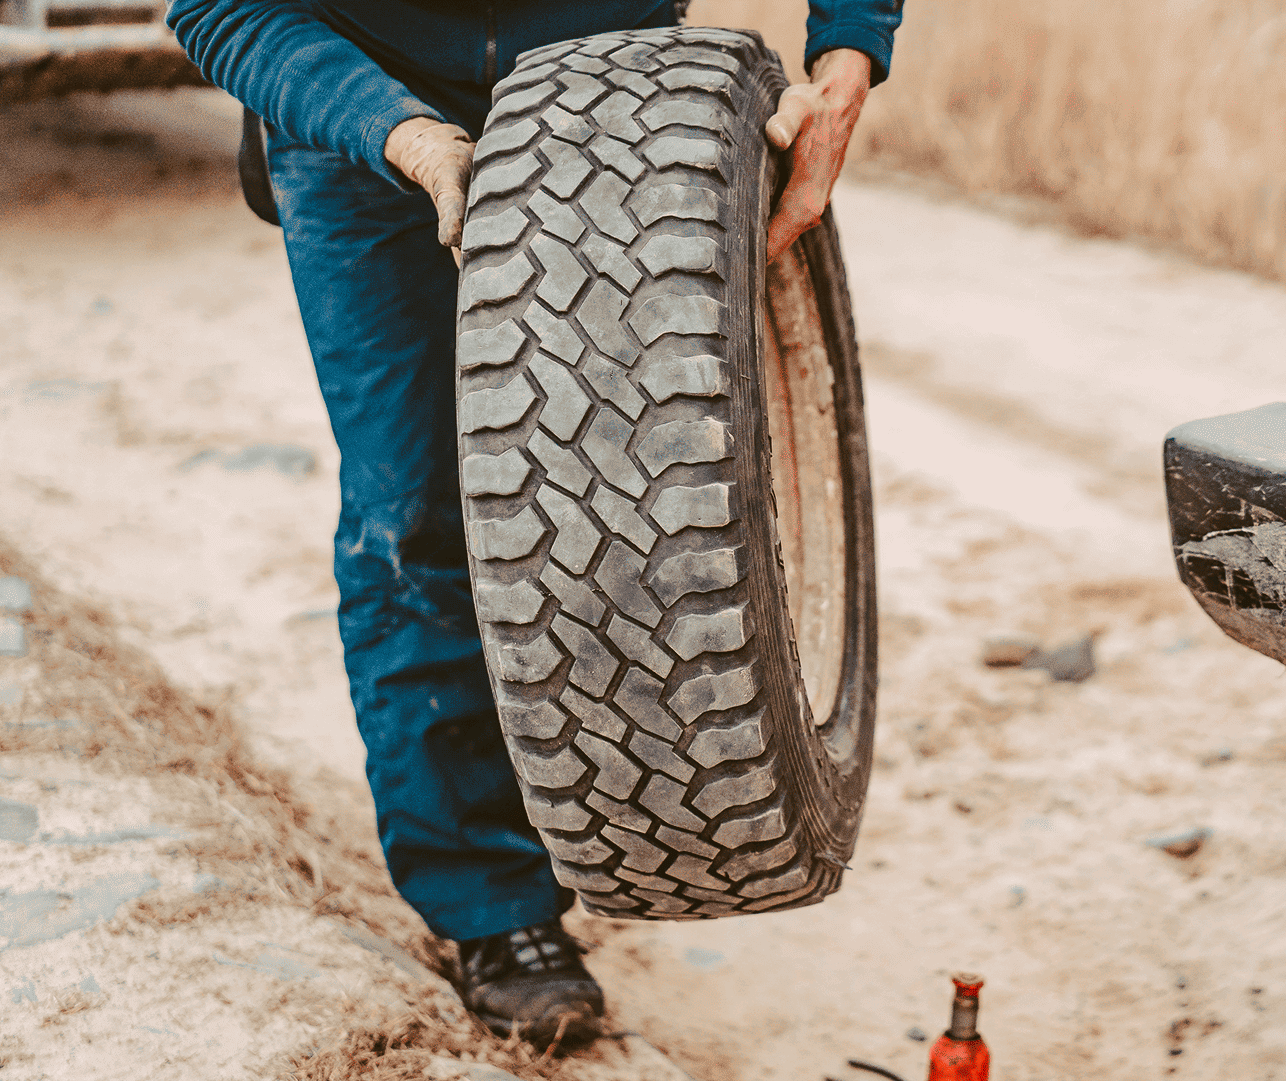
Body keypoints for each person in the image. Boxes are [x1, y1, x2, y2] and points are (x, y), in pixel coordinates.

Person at [165, 0, 902, 1045]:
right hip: (370, 97)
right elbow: (221, 7)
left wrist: (846, 62)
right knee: (414, 512)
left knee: (659, 487)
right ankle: (494, 909)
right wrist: (403, 136)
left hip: (620, 88)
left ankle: (640, 798)